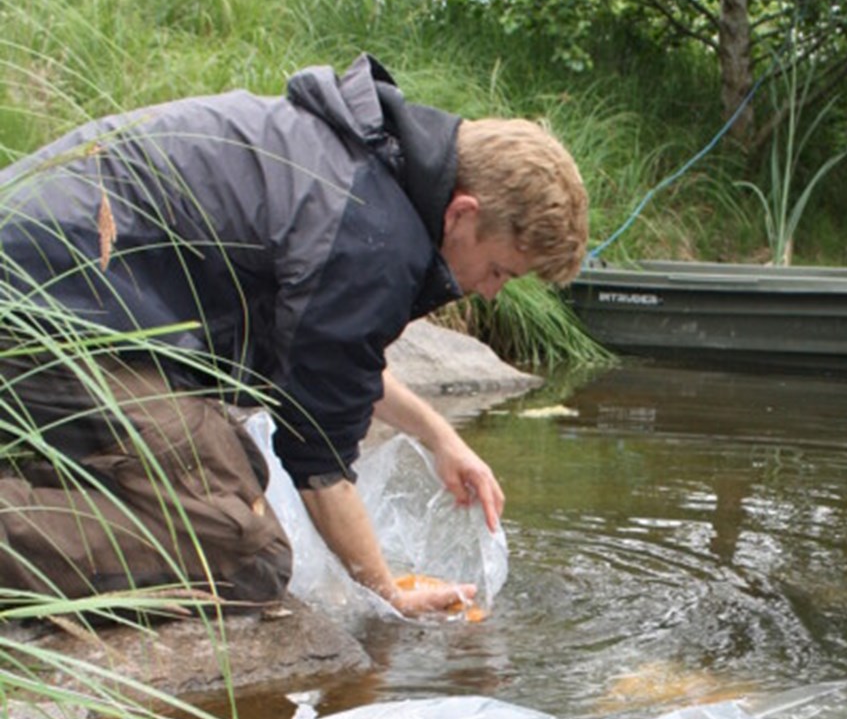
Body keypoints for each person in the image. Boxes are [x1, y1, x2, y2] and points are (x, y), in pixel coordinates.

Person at [0, 53, 588, 617]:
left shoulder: (369, 171)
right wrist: (387, 593)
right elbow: (319, 459)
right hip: (45, 319)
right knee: (248, 557)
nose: (489, 291)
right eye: (500, 271)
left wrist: (440, 437)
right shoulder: (368, 235)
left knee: (240, 481)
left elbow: (328, 357)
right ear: (462, 213)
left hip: (77, 303)